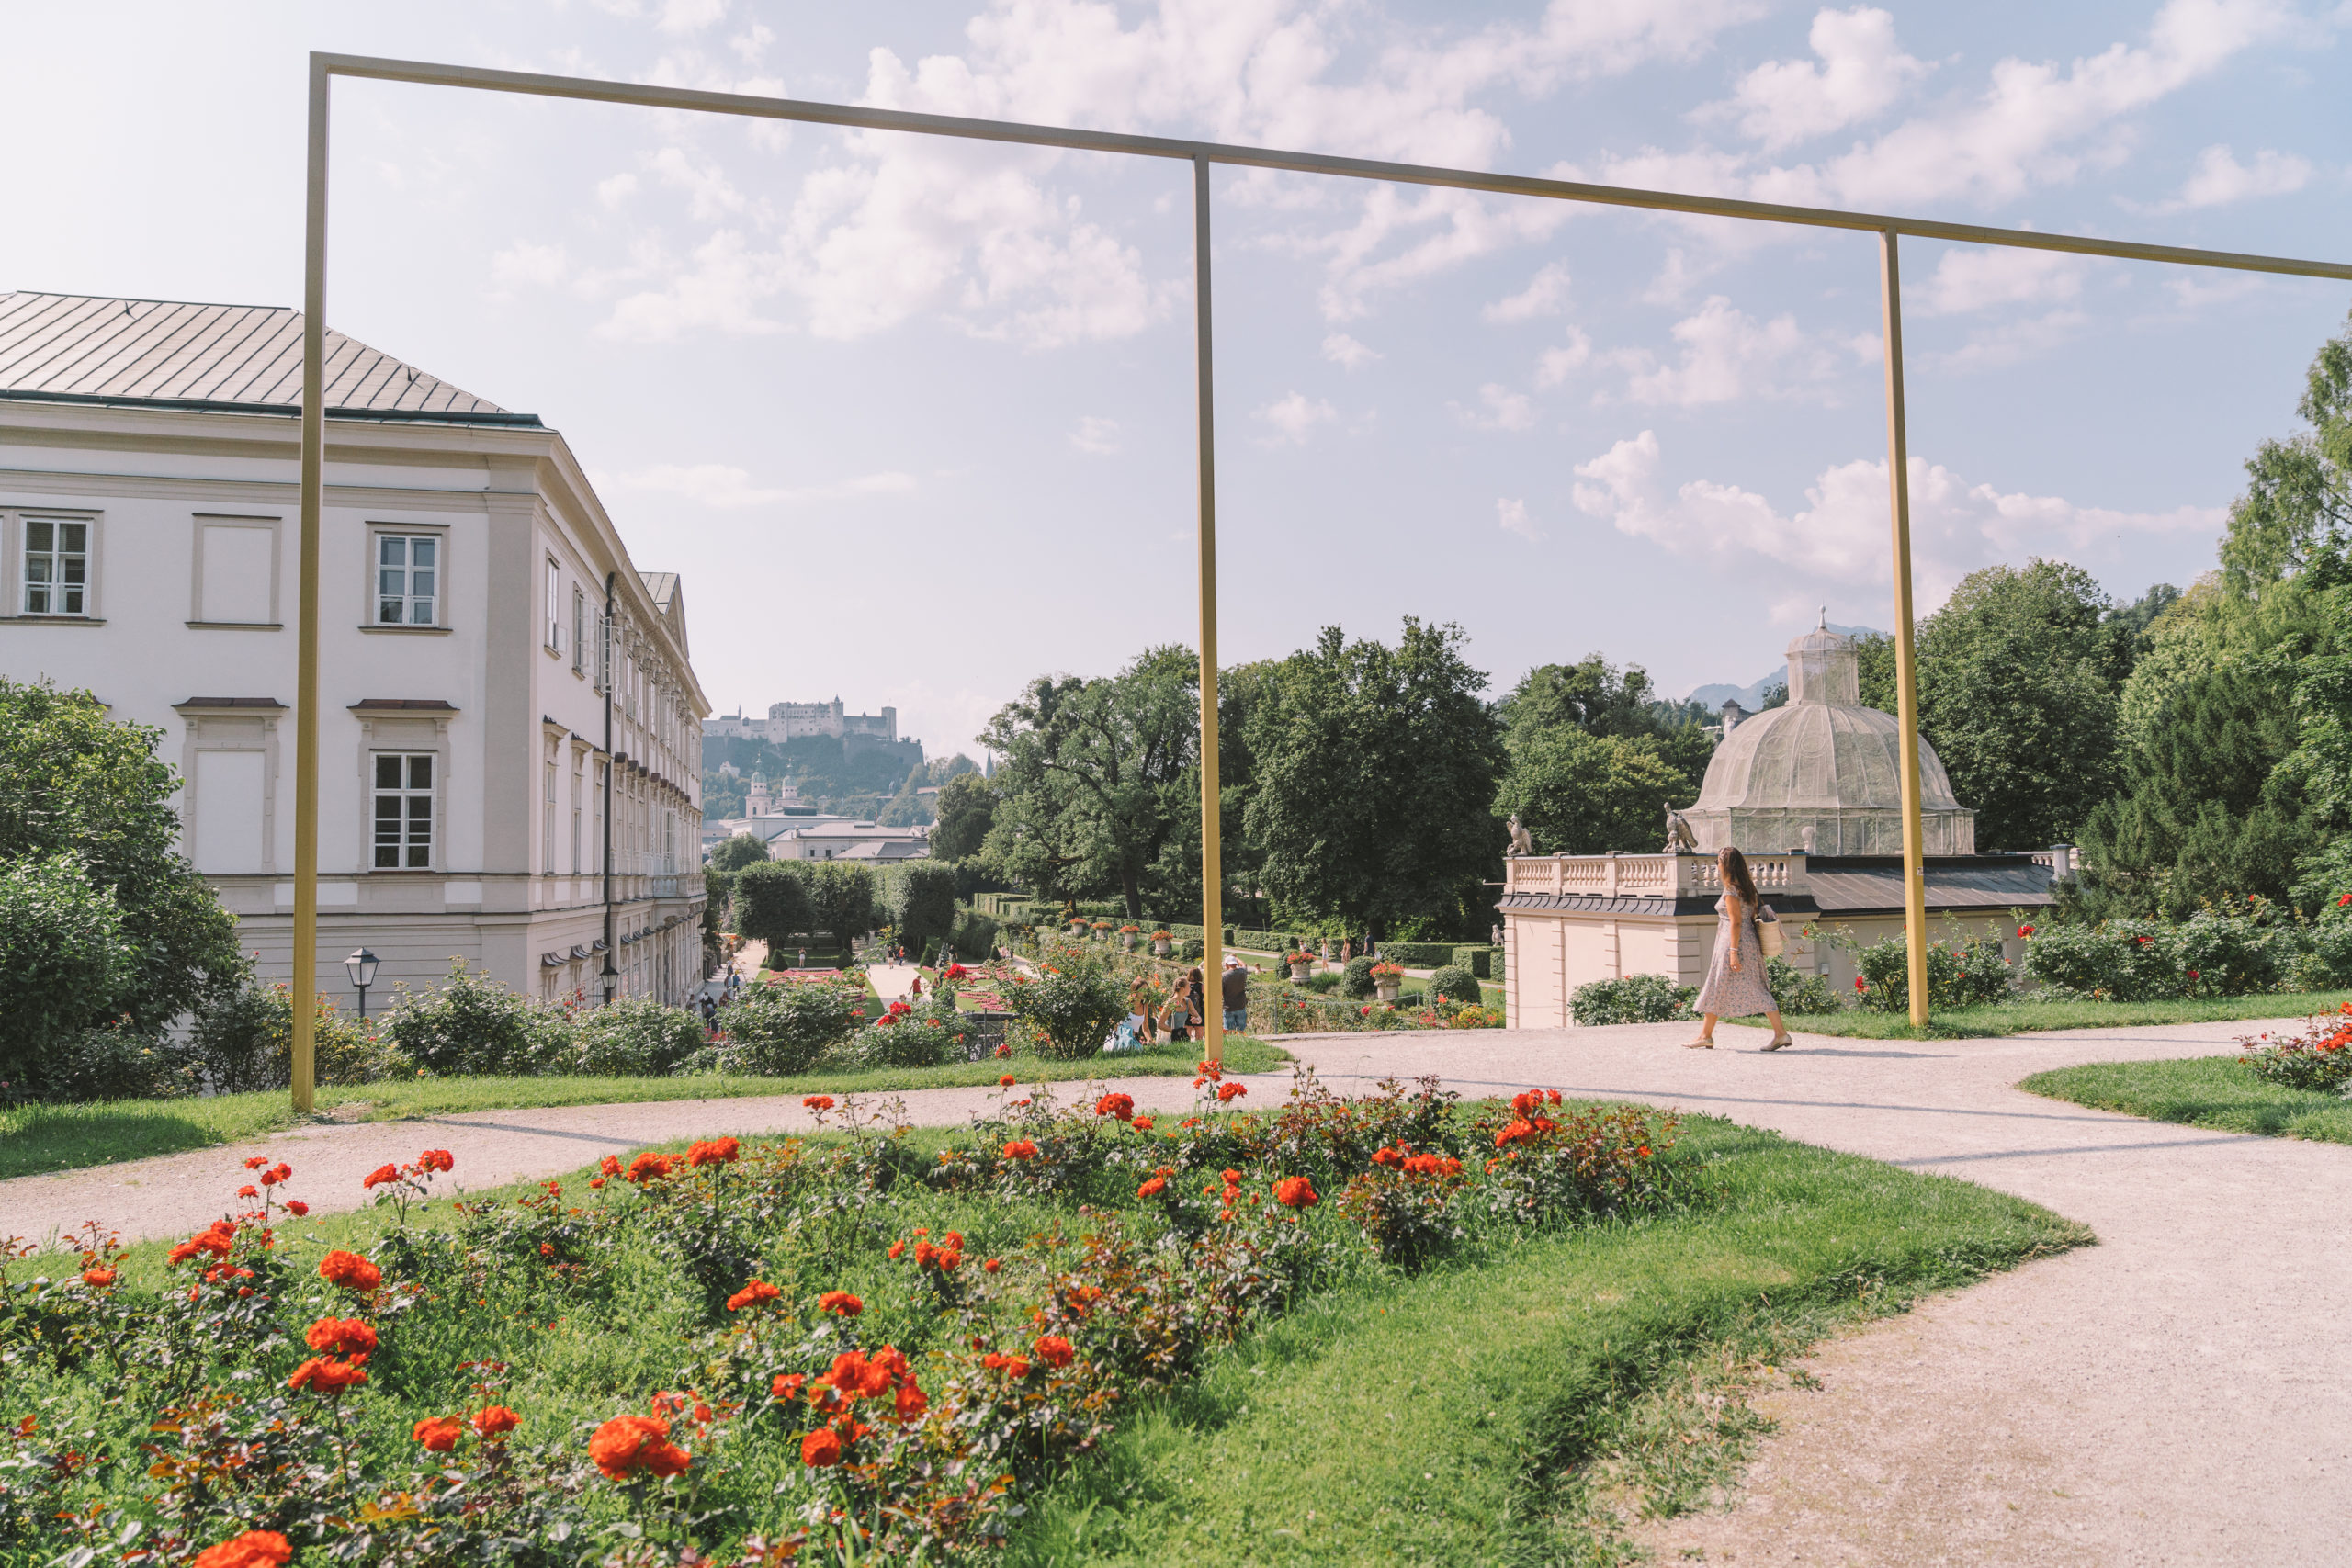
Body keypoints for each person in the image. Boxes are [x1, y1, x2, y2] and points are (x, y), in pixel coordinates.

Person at [1687, 846, 1793, 1050]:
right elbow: (1750, 914)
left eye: (1718, 862)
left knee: (1718, 985)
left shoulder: (1731, 891)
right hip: (1749, 941)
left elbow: (1735, 922)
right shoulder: (1747, 888)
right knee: (1753, 986)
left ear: (1726, 865)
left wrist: (1733, 953)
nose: (1716, 866)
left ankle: (1706, 1036)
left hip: (1733, 943)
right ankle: (1706, 1035)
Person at [1220, 955, 1249, 1035]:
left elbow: (1221, 992)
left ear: (1226, 964)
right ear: (1235, 963)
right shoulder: (1243, 972)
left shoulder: (1223, 976)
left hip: (1228, 1006)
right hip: (1241, 1005)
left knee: (1229, 1031)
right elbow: (1244, 965)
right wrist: (1236, 957)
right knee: (1241, 1030)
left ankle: (1231, 1045)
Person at [1159, 976, 1192, 1043]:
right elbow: (1159, 1024)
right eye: (1189, 987)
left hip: (1180, 1038)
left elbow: (1198, 1017)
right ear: (1182, 989)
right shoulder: (1170, 1004)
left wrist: (1197, 1019)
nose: (1190, 989)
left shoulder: (1187, 1001)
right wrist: (1174, 1031)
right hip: (1168, 1038)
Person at [1128, 976, 1157, 1045]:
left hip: (1134, 1040)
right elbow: (1115, 1024)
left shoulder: (1145, 1005)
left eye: (1147, 990)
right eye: (1143, 990)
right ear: (1135, 991)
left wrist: (1150, 1040)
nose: (1145, 993)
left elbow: (1146, 1028)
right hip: (1120, 1038)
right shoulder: (1126, 1004)